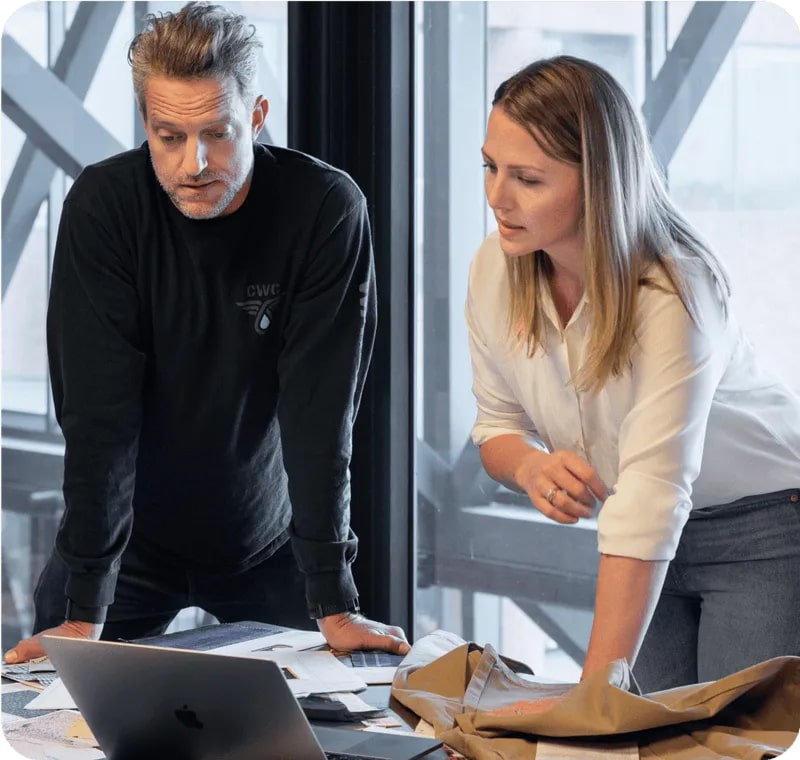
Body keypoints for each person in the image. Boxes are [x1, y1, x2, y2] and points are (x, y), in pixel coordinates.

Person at [4, 1, 409, 664]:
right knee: (58, 706)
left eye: (217, 134)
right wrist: (83, 607)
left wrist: (333, 596)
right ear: (146, 123)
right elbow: (100, 420)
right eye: (169, 137)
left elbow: (320, 415)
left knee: (330, 710)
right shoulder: (105, 208)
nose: (194, 163)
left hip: (268, 540)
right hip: (126, 548)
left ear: (256, 115)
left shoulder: (324, 210)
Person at [467, 55, 800, 692]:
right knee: (645, 734)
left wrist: (589, 702)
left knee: (731, 735)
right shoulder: (493, 268)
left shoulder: (676, 290)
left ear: (599, 180)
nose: (496, 198)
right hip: (638, 532)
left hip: (766, 527)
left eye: (527, 179)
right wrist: (530, 466)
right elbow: (496, 427)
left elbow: (653, 494)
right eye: (490, 167)